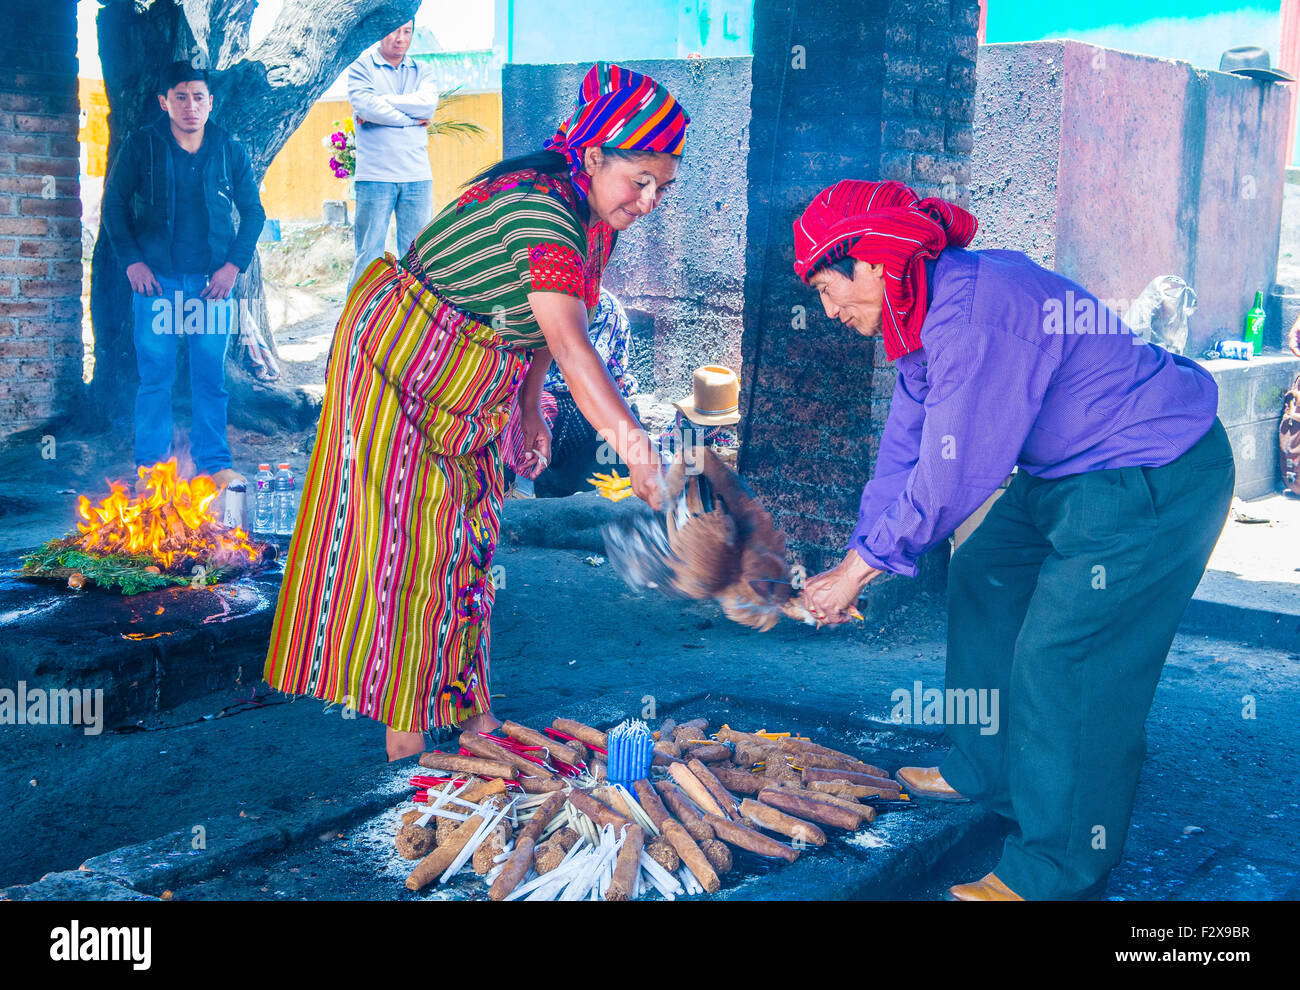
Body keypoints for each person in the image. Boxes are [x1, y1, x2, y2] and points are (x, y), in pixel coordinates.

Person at [796, 180, 1235, 901]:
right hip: (1071, 470)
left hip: (1154, 472)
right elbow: (902, 450)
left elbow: (951, 470)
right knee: (987, 575)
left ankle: (1056, 866)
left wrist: (859, 574)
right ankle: (985, 765)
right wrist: (856, 556)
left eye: (827, 287)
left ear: (873, 260)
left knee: (1068, 658)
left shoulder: (972, 314)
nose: (829, 310)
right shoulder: (919, 313)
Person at [264, 63, 687, 762]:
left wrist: (529, 408)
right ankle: (406, 748)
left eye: (661, 189)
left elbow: (551, 329)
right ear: (592, 156)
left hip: (480, 378)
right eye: (637, 180)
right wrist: (640, 456)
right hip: (398, 363)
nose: (647, 200)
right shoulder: (542, 211)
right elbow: (578, 347)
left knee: (470, 542)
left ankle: (473, 720)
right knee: (406, 549)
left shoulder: (595, 223)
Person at [101, 60, 265, 491]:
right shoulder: (143, 146)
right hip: (157, 284)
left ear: (210, 102)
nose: (190, 106)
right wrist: (132, 262)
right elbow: (114, 205)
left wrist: (233, 267)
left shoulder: (229, 149)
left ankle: (214, 463)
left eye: (198, 97)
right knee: (155, 376)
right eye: (180, 97)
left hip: (211, 286)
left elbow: (253, 212)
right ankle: (152, 471)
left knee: (210, 376)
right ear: (164, 102)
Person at [501, 286, 640, 498]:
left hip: (587, 393)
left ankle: (522, 487)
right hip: (548, 384)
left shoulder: (605, 309)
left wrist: (528, 393)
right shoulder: (542, 298)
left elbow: (582, 373)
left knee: (528, 407)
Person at [346, 20, 439, 288]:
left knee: (418, 255)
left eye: (407, 32)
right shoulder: (361, 68)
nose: (401, 38)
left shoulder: (423, 70)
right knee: (369, 255)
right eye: (394, 30)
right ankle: (357, 322)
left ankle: (414, 321)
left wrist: (381, 103)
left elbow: (427, 105)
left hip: (417, 176)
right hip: (375, 176)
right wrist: (412, 119)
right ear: (380, 32)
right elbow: (365, 105)